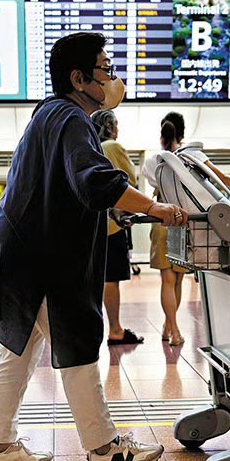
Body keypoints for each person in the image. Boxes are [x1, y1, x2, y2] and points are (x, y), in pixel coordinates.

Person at [0, 32, 189, 461]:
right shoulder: (70, 117)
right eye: (106, 69)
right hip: (41, 259)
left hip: (20, 253)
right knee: (75, 346)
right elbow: (95, 180)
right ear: (78, 78)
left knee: (21, 350)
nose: (113, 79)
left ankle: (0, 448)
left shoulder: (49, 116)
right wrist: (155, 208)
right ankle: (105, 449)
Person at [141, 112, 230, 346]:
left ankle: (170, 327)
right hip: (185, 222)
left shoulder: (153, 161)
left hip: (161, 222)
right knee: (179, 280)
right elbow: (219, 178)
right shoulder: (191, 156)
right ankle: (172, 327)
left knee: (166, 281)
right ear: (182, 133)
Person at [92, 109, 144, 346]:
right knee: (110, 278)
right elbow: (129, 182)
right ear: (111, 127)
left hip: (89, 226)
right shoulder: (112, 147)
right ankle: (115, 329)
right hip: (110, 225)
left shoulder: (87, 146)